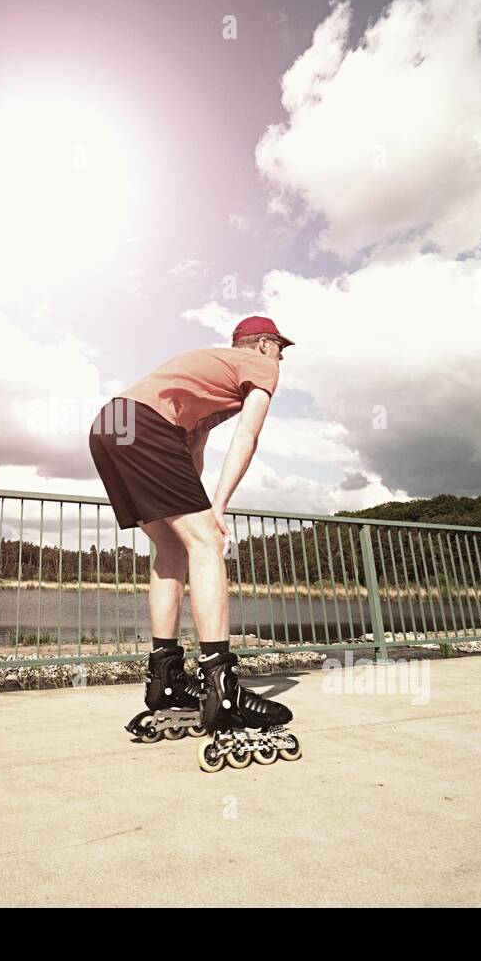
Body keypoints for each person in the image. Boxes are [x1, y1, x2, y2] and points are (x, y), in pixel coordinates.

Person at [88, 315, 301, 769]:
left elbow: (192, 455)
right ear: (263, 344)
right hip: (144, 426)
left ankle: (164, 680)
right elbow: (249, 435)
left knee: (173, 549)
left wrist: (199, 512)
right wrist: (217, 513)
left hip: (110, 425)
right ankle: (222, 690)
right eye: (280, 347)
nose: (281, 357)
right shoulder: (259, 366)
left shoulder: (206, 380)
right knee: (207, 545)